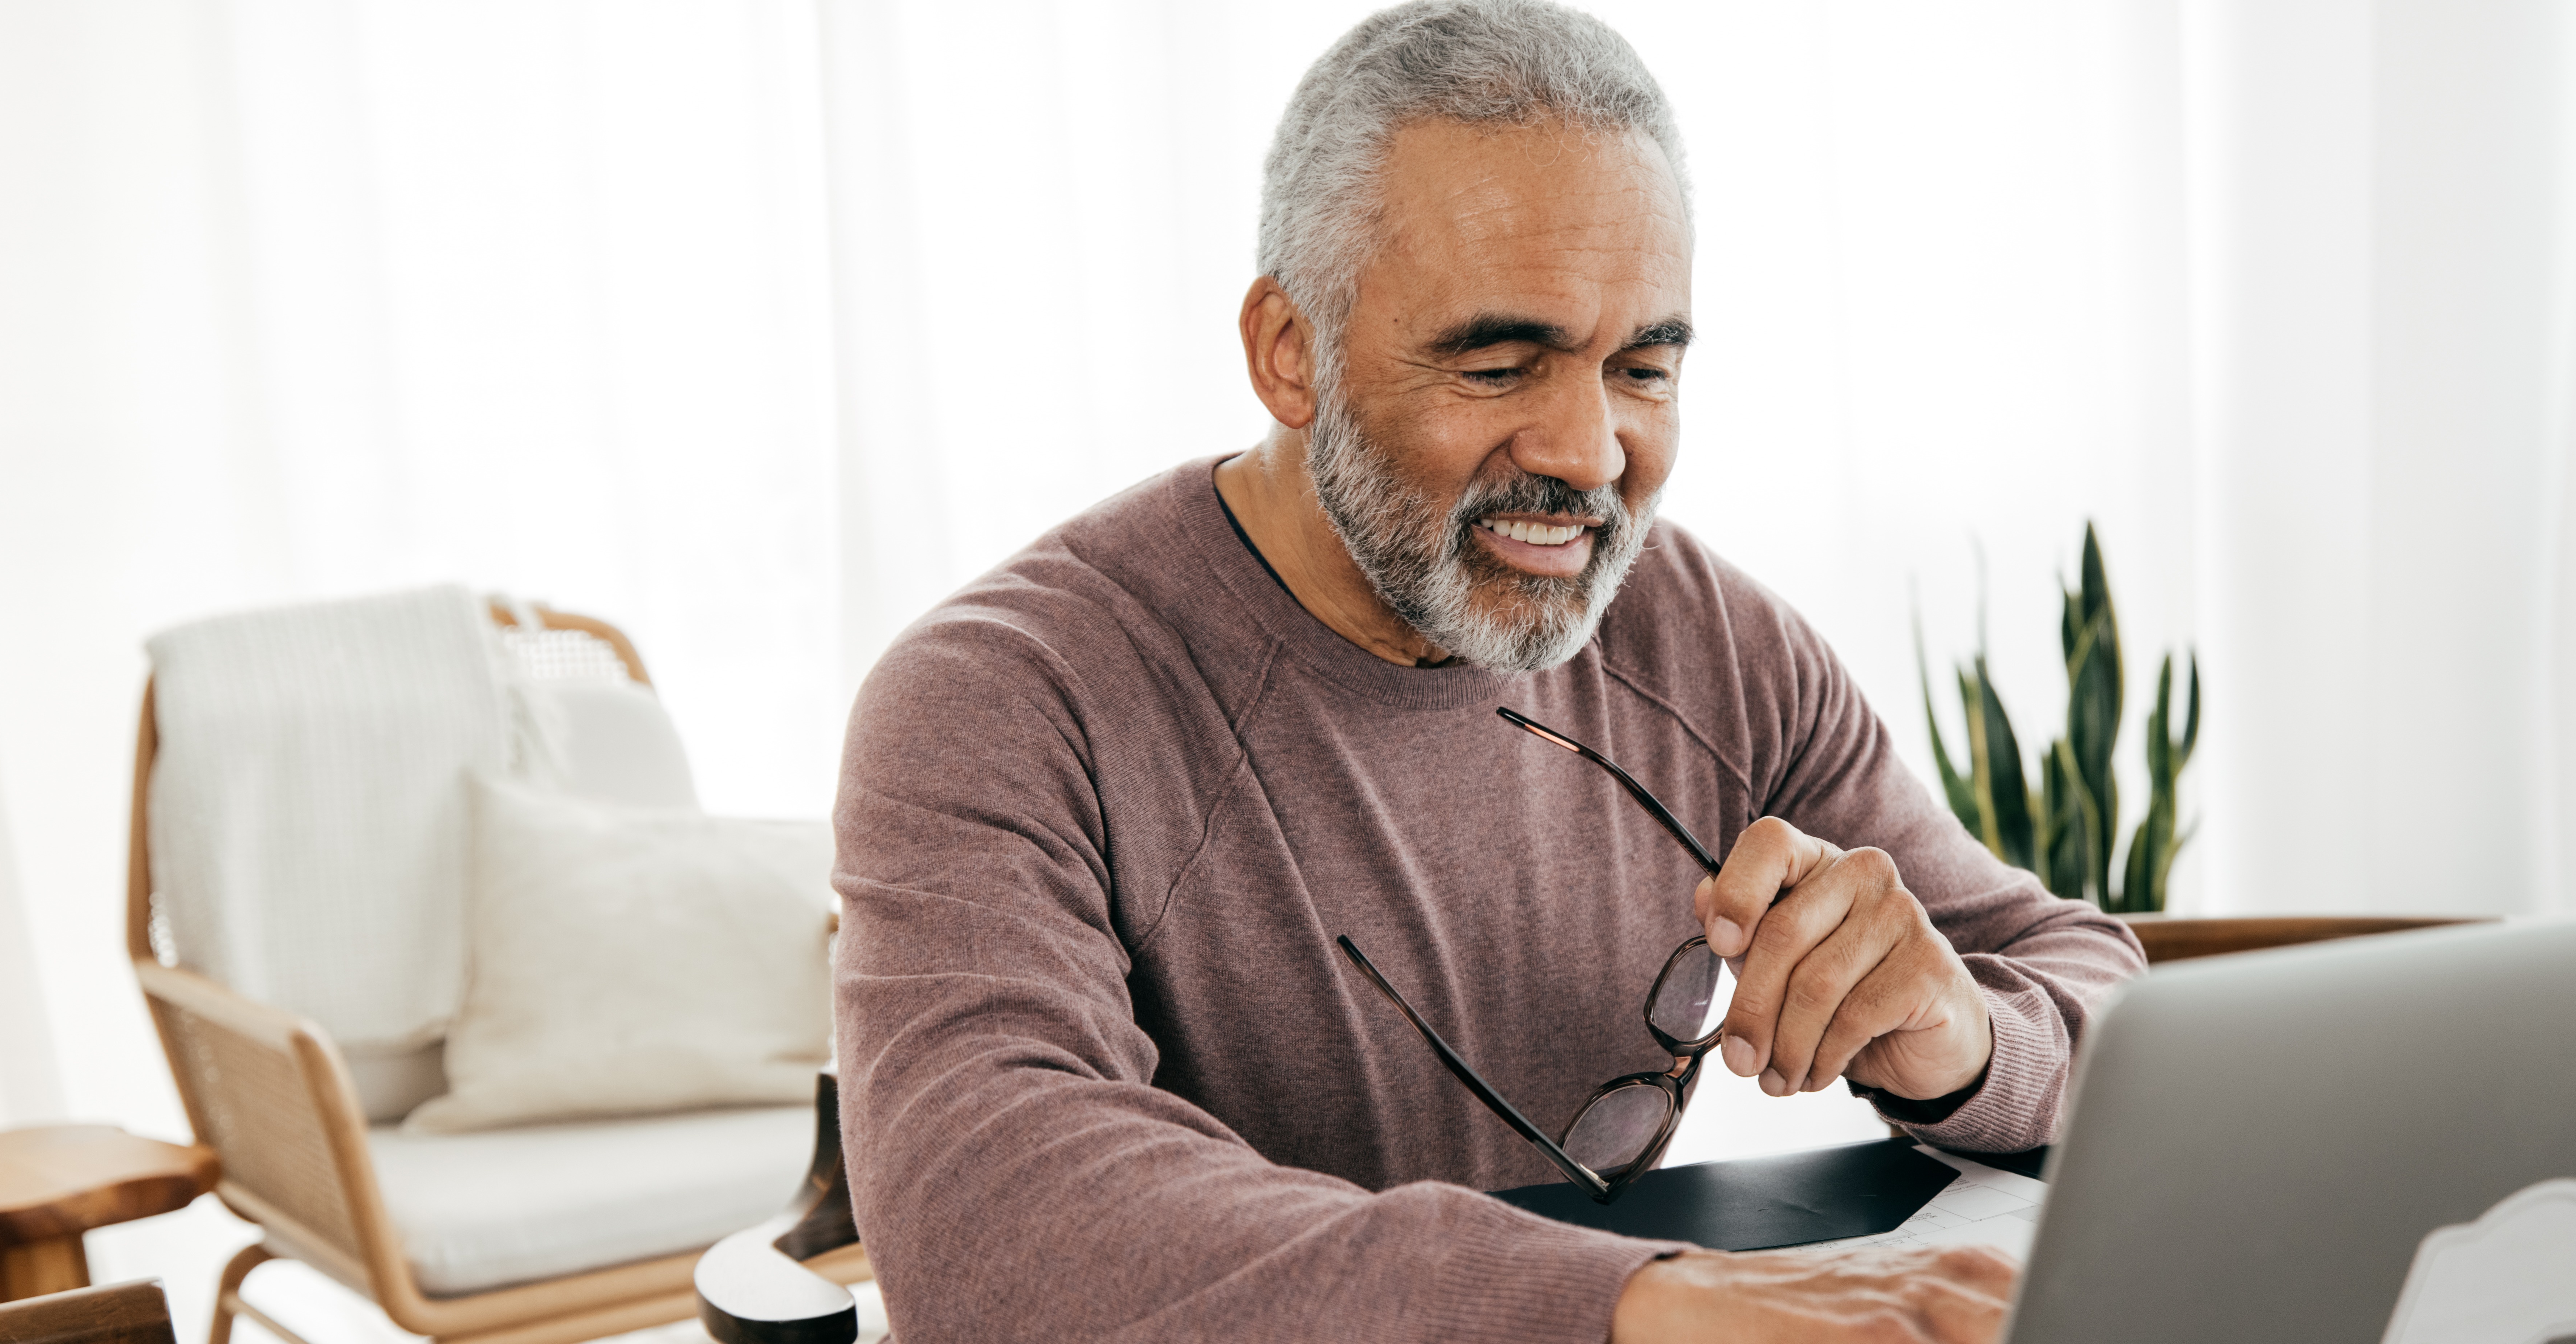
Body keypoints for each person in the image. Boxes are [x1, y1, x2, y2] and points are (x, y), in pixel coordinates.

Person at [830, 3, 2143, 1339]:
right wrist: (1638, 1307)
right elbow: (986, 1212)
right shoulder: (997, 697)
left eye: (1643, 366)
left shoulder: (1707, 639)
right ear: (1292, 351)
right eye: (1500, 361)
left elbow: (2088, 978)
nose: (1588, 450)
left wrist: (1968, 1037)